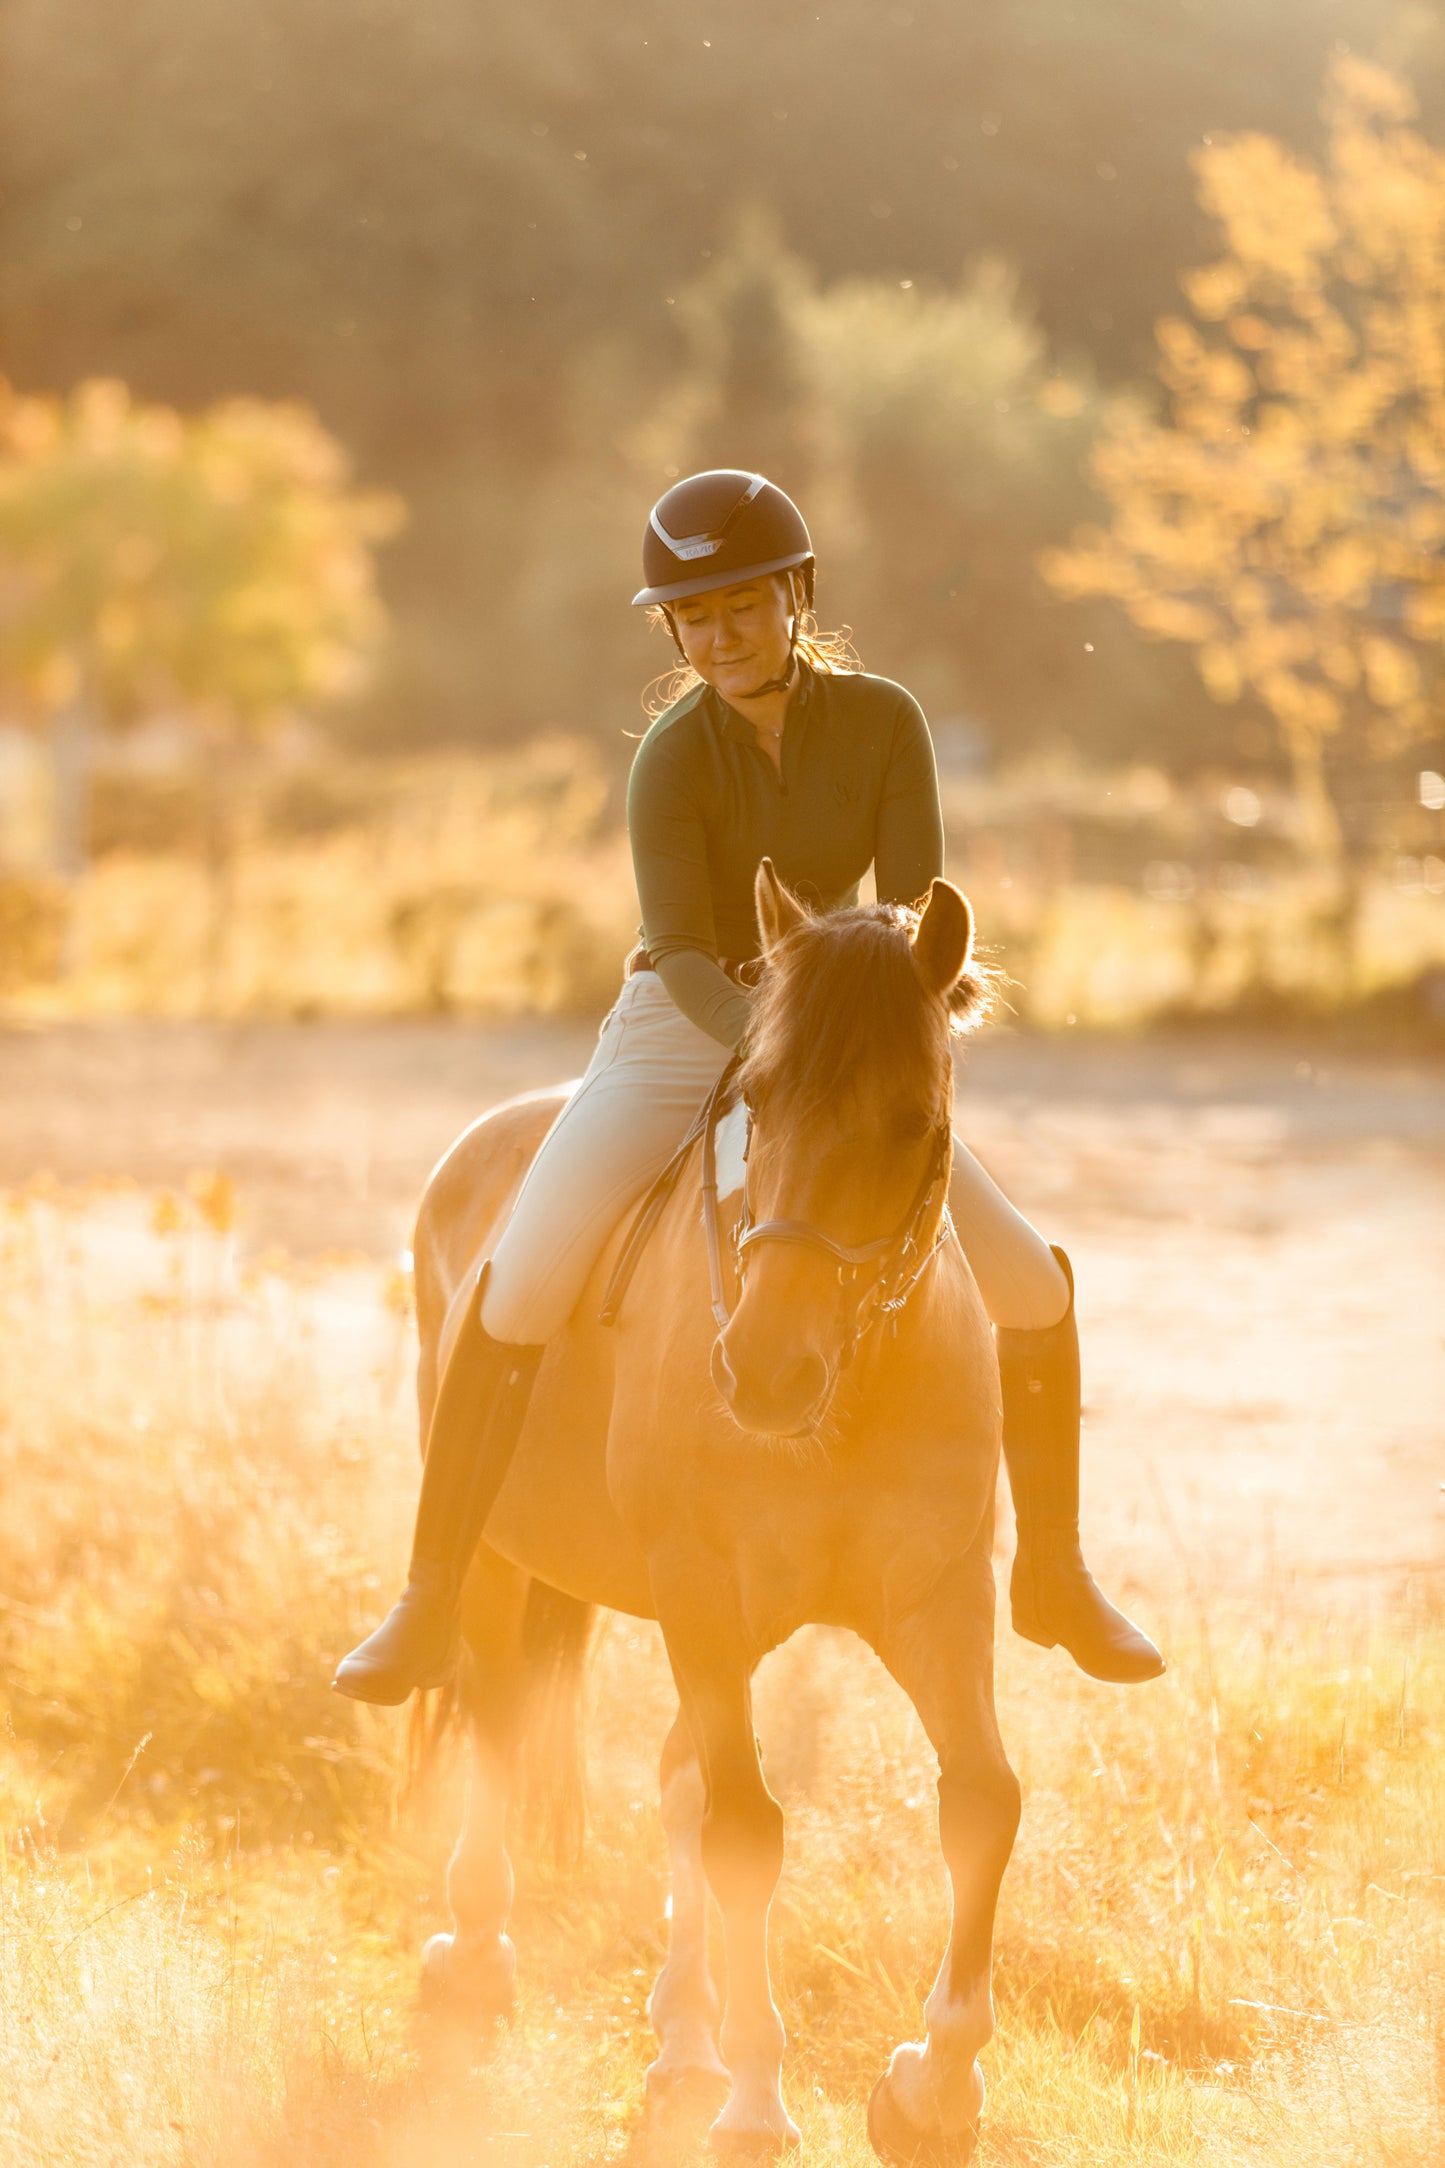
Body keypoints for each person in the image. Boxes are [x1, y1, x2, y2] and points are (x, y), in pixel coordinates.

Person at [333, 470, 1163, 1705]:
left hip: (839, 1039)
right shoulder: (668, 759)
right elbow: (674, 951)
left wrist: (840, 1037)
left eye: (740, 609)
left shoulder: (886, 722)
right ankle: (429, 1594)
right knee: (515, 1281)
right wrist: (771, 1035)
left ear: (796, 594)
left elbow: (917, 916)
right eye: (692, 621)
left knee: (1031, 1279)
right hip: (678, 1025)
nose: (718, 639)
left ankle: (1051, 1570)